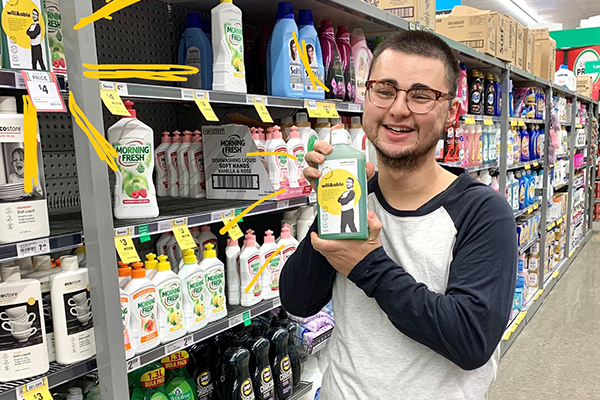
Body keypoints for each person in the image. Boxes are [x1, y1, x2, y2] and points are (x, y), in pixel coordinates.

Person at [280, 30, 516, 399]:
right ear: (366, 96)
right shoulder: (354, 195)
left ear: (451, 112)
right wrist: (330, 206)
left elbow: (472, 341)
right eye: (384, 91)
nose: (398, 109)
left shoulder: (483, 212)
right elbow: (298, 301)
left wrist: (369, 265)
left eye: (421, 96)